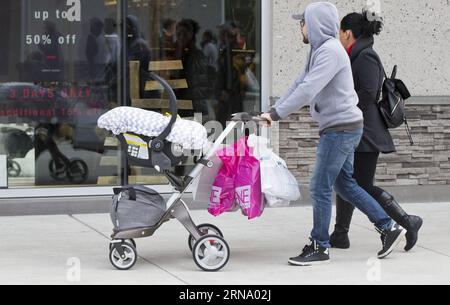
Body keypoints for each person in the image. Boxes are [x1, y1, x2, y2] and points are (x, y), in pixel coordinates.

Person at [261, 2, 405, 266]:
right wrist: (273, 110)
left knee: (319, 186)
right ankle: (389, 227)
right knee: (345, 184)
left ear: (314, 24)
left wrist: (277, 115)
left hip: (341, 128)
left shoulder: (330, 51)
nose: (300, 28)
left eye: (302, 23)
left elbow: (308, 89)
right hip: (342, 126)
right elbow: (299, 83)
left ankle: (320, 245)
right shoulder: (319, 50)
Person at [330, 11, 423, 251]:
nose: (338, 36)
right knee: (345, 180)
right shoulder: (355, 54)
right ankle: (340, 234)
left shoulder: (366, 56)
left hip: (367, 132)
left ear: (348, 33)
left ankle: (406, 221)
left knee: (360, 184)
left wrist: (343, 107)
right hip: (356, 128)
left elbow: (369, 94)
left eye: (340, 32)